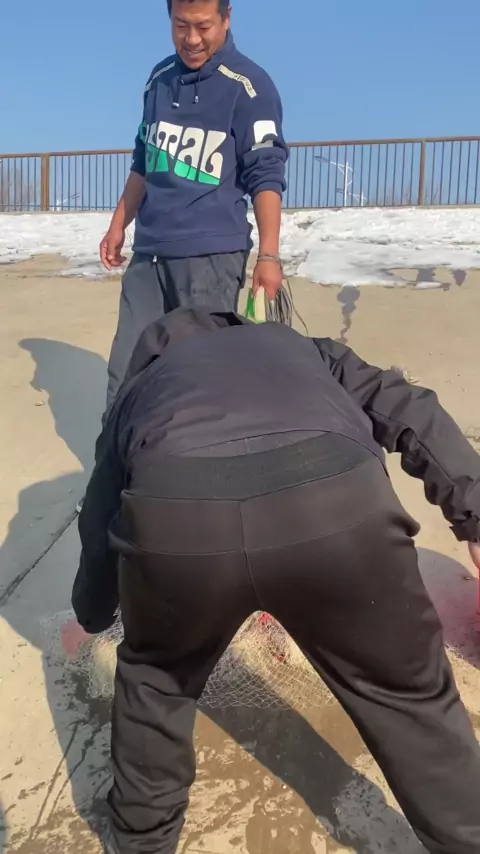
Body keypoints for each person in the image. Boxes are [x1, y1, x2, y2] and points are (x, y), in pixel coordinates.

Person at [71, 308, 480, 854]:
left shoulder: (145, 384)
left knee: (157, 683)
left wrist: (94, 610)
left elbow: (99, 514)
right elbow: (411, 408)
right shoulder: (305, 349)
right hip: (336, 508)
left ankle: (141, 844)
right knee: (408, 697)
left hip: (183, 523)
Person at [100, 0, 288, 413]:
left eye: (203, 27)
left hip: (211, 258)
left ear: (226, 17)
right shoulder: (158, 79)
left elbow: (266, 174)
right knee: (126, 375)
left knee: (201, 382)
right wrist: (118, 225)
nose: (191, 39)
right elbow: (143, 160)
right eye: (180, 25)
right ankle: (119, 455)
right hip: (149, 255)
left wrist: (269, 255)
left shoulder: (250, 87)